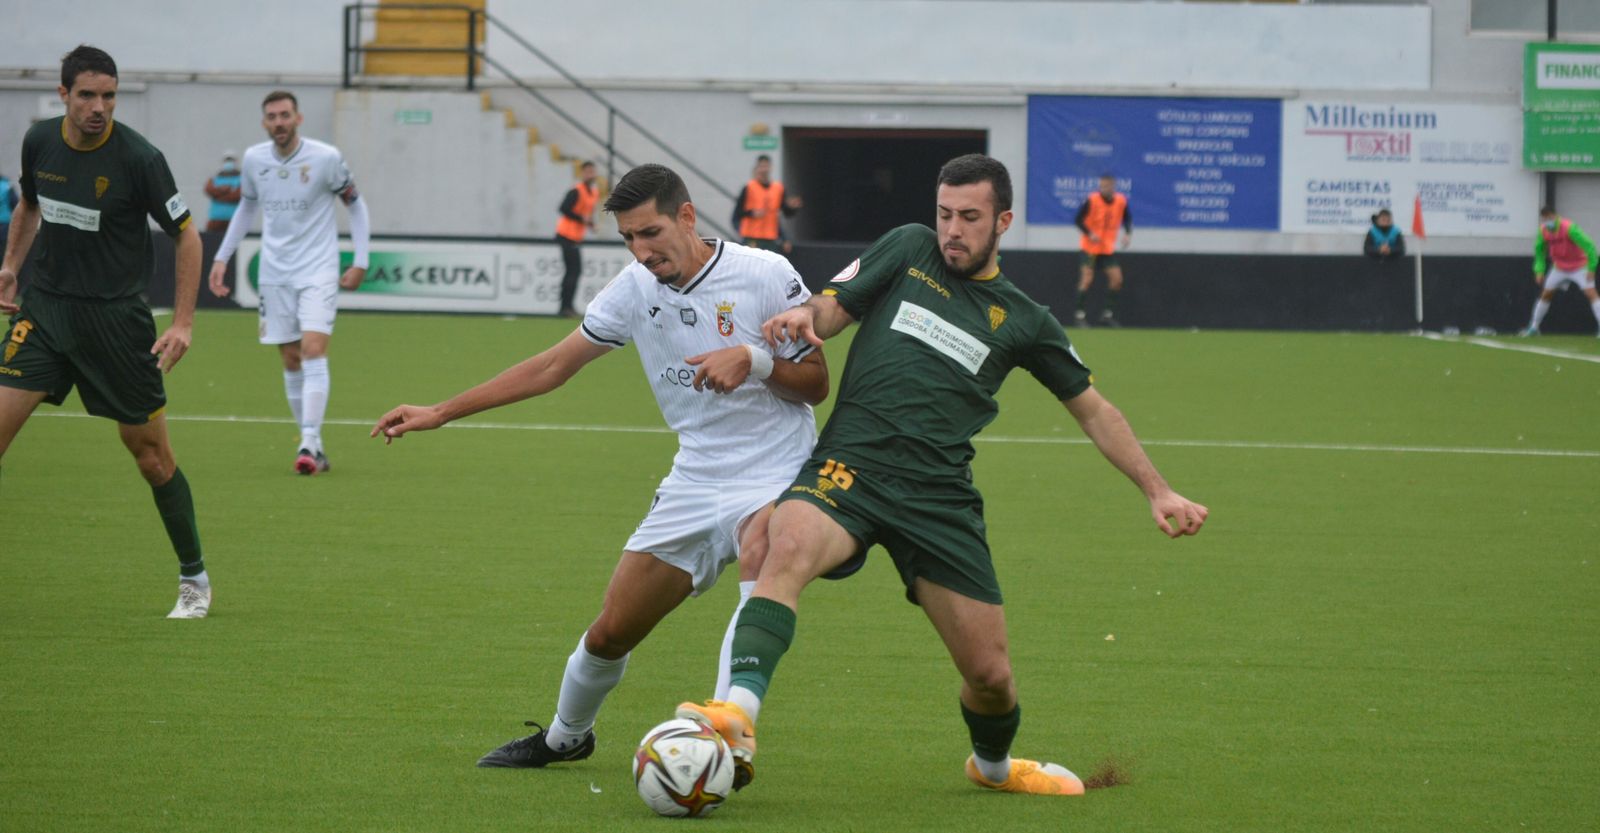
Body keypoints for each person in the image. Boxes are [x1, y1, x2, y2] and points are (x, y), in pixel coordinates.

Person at [678, 154, 1208, 797]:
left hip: (937, 499)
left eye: (970, 218)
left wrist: (1159, 489)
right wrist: (803, 319)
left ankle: (992, 768)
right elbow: (832, 310)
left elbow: (1095, 410)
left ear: (1003, 222)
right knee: (782, 543)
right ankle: (737, 715)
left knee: (990, 676)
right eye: (945, 214)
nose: (952, 230)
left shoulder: (1025, 320)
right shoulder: (908, 249)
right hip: (849, 468)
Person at [369, 163, 828, 776]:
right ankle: (566, 736)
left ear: (687, 217)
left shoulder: (765, 274)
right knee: (612, 632)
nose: (641, 251)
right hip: (695, 478)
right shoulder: (634, 289)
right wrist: (441, 412)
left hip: (776, 470)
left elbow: (816, 386)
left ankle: (729, 731)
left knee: (762, 547)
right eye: (629, 238)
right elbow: (552, 366)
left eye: (651, 233)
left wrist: (755, 360)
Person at [0, 45, 211, 619]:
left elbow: (186, 236)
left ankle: (194, 576)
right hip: (44, 315)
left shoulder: (140, 158)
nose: (99, 107)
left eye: (109, 96)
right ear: (64, 93)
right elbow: (30, 205)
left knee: (151, 457)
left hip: (117, 324)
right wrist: (11, 266)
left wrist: (184, 322)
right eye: (88, 95)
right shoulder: (39, 140)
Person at [208, 90, 371, 474]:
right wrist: (221, 257)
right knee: (290, 357)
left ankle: (308, 442)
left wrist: (361, 259)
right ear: (265, 123)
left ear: (298, 118)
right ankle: (313, 444)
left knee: (313, 349)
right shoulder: (254, 160)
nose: (279, 122)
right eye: (272, 116)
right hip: (275, 273)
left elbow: (355, 204)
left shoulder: (325, 158)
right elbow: (247, 206)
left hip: (318, 269)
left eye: (285, 115)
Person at [1521, 206, 1599, 337]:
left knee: (1591, 294)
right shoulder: (1543, 230)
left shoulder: (1569, 228)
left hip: (1579, 266)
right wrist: (1539, 271)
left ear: (1554, 216)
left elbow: (1589, 246)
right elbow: (1540, 252)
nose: (1547, 221)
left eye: (1549, 218)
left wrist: (1591, 268)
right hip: (1560, 267)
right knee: (1546, 294)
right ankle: (1534, 328)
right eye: (1544, 219)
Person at [1073, 173, 1131, 327]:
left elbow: (1127, 218)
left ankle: (1107, 314)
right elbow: (1078, 220)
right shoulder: (1092, 200)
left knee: (1117, 279)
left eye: (1109, 186)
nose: (1106, 188)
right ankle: (1079, 315)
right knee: (1087, 279)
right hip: (1090, 248)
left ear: (1114, 186)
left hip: (1107, 248)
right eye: (1103, 186)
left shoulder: (1120, 201)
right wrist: (1090, 233)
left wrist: (1127, 234)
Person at [555, 160, 599, 318]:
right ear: (582, 174)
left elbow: (587, 214)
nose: (590, 174)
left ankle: (567, 307)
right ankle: (565, 307)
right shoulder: (576, 190)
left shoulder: (594, 192)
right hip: (566, 235)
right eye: (587, 171)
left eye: (592, 171)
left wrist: (591, 224)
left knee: (573, 271)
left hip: (576, 237)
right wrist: (582, 219)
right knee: (572, 271)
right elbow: (563, 208)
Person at [732, 155, 802, 253]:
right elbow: (736, 214)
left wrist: (792, 207)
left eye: (766, 166)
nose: (764, 169)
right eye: (761, 166)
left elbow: (786, 213)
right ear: (757, 168)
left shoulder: (778, 188)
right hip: (752, 238)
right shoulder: (749, 188)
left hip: (770, 238)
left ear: (771, 167)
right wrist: (751, 213)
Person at [202, 151, 241, 233]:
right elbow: (208, 190)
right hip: (215, 219)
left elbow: (238, 195)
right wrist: (227, 190)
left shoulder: (241, 178)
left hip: (233, 219)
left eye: (231, 160)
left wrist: (218, 194)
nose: (229, 163)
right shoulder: (214, 177)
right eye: (227, 160)